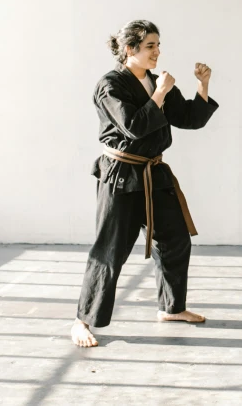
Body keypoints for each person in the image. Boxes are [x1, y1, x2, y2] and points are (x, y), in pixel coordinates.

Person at [71, 20, 219, 347]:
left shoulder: (155, 80)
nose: (157, 51)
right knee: (110, 251)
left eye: (158, 45)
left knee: (176, 239)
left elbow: (189, 119)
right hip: (121, 176)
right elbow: (134, 127)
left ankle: (171, 307)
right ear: (130, 49)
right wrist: (161, 92)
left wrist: (203, 85)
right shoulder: (110, 85)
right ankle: (82, 321)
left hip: (154, 173)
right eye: (151, 45)